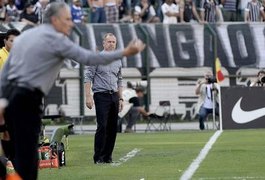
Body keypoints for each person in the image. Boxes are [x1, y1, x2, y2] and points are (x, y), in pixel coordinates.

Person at [0, 2, 145, 180]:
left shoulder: (26, 37)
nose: (71, 23)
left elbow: (7, 73)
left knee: (13, 152)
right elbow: (88, 57)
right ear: (55, 20)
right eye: (68, 19)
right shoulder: (57, 40)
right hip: (26, 99)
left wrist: (2, 101)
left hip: (10, 98)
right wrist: (126, 52)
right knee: (28, 161)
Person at [84, 33, 124, 164]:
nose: (111, 44)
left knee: (113, 127)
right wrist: (88, 96)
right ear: (104, 43)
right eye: (109, 42)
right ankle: (98, 157)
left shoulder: (118, 59)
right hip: (101, 95)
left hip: (114, 95)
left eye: (113, 42)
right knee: (102, 126)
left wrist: (121, 98)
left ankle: (108, 156)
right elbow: (88, 77)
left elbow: (119, 80)